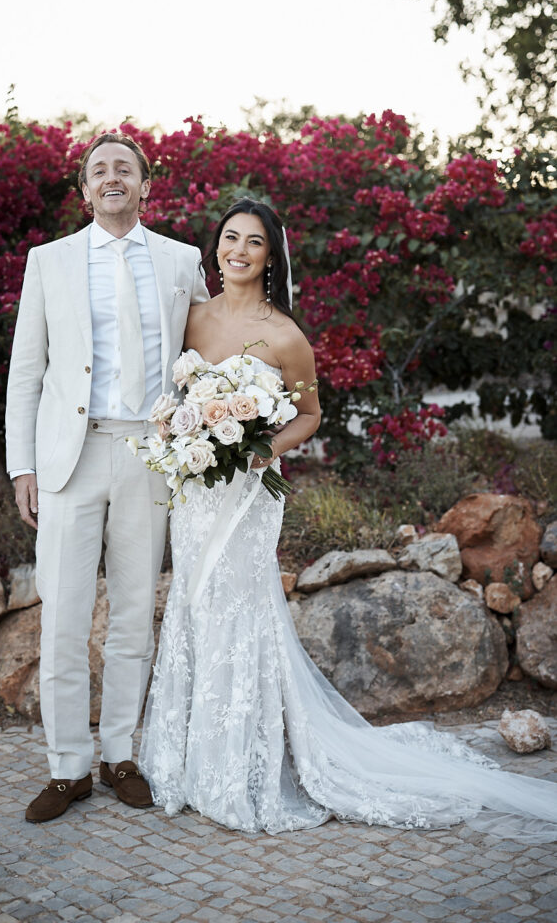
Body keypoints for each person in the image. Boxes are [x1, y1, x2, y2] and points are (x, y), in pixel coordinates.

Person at [139, 197, 557, 840]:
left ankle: (240, 766)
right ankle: (187, 761)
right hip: (195, 495)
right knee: (196, 608)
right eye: (230, 238)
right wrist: (179, 434)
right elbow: (173, 394)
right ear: (215, 246)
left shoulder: (286, 336)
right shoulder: (190, 319)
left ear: (270, 256)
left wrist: (256, 450)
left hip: (250, 495)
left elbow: (308, 415)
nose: (239, 251)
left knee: (241, 611)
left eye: (254, 242)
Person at [5, 133, 209, 822]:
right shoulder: (49, 261)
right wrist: (22, 465)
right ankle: (67, 769)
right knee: (61, 616)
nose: (112, 177)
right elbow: (26, 370)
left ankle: (120, 754)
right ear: (85, 191)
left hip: (149, 456)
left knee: (132, 615)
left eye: (125, 168)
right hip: (70, 456)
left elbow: (205, 362)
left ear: (146, 186)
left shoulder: (183, 262)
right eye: (100, 170)